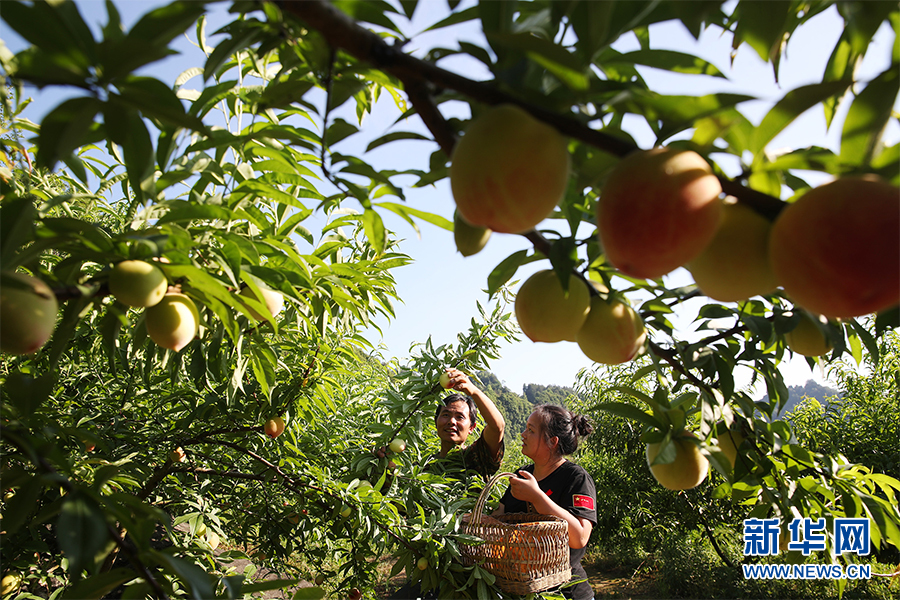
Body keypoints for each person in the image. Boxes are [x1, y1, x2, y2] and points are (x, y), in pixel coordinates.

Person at [493, 405, 597, 600]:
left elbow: (580, 537)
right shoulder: (522, 474)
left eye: (531, 430)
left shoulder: (575, 478)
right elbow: (499, 516)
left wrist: (538, 497)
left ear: (552, 441)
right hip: (522, 590)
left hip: (566, 593)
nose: (523, 434)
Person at [425, 367, 506, 482]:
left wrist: (473, 391)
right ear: (436, 422)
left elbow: (497, 427)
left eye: (460, 417)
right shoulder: (424, 465)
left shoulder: (477, 456)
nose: (451, 421)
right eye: (446, 415)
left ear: (471, 427)